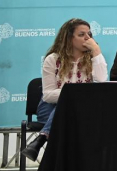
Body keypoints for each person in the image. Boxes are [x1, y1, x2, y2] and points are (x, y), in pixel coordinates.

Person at [21, 18, 108, 161]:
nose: (87, 38)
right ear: (68, 38)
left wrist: (97, 51)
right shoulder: (52, 59)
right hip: (49, 108)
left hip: (81, 109)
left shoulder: (93, 59)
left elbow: (102, 82)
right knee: (66, 107)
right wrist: (74, 94)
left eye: (89, 34)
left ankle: (42, 139)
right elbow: (48, 95)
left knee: (69, 109)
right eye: (81, 35)